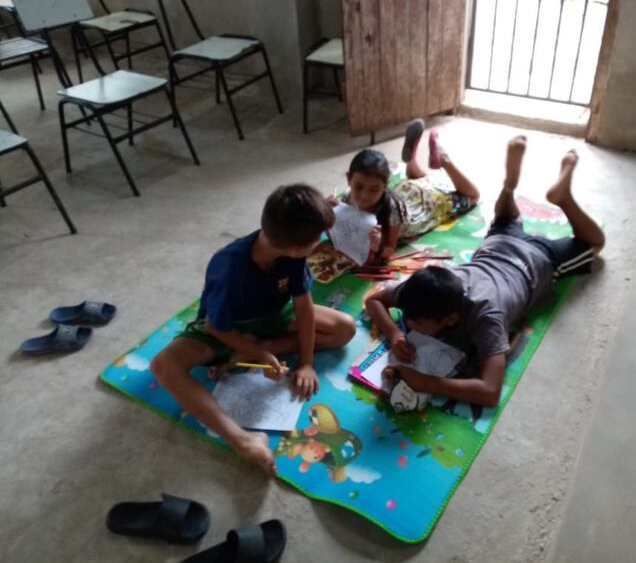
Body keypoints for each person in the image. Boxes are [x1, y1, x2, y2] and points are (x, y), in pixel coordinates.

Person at [365, 136, 605, 407]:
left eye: (417, 323)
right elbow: (374, 298)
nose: (408, 324)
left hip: (537, 261)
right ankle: (510, 186)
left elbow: (490, 392)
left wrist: (427, 383)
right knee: (505, 222)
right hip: (498, 245)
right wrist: (394, 333)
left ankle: (556, 198)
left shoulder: (487, 317)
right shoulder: (428, 288)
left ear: (451, 319)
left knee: (594, 244)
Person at [150, 184, 357, 474]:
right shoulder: (230, 266)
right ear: (298, 248)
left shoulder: (292, 256)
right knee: (164, 365)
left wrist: (307, 363)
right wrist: (255, 352)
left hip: (275, 316)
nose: (322, 242)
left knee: (345, 328)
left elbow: (304, 307)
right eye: (318, 239)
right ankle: (242, 439)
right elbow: (215, 325)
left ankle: (255, 350)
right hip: (228, 329)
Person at [334, 119, 480, 264]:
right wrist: (327, 213)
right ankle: (411, 161)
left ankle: (445, 160)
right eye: (358, 187)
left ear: (386, 186)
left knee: (472, 196)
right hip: (408, 191)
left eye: (374, 189)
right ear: (349, 179)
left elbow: (390, 250)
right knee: (418, 179)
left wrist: (377, 247)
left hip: (425, 205)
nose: (364, 196)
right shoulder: (347, 197)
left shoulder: (392, 211)